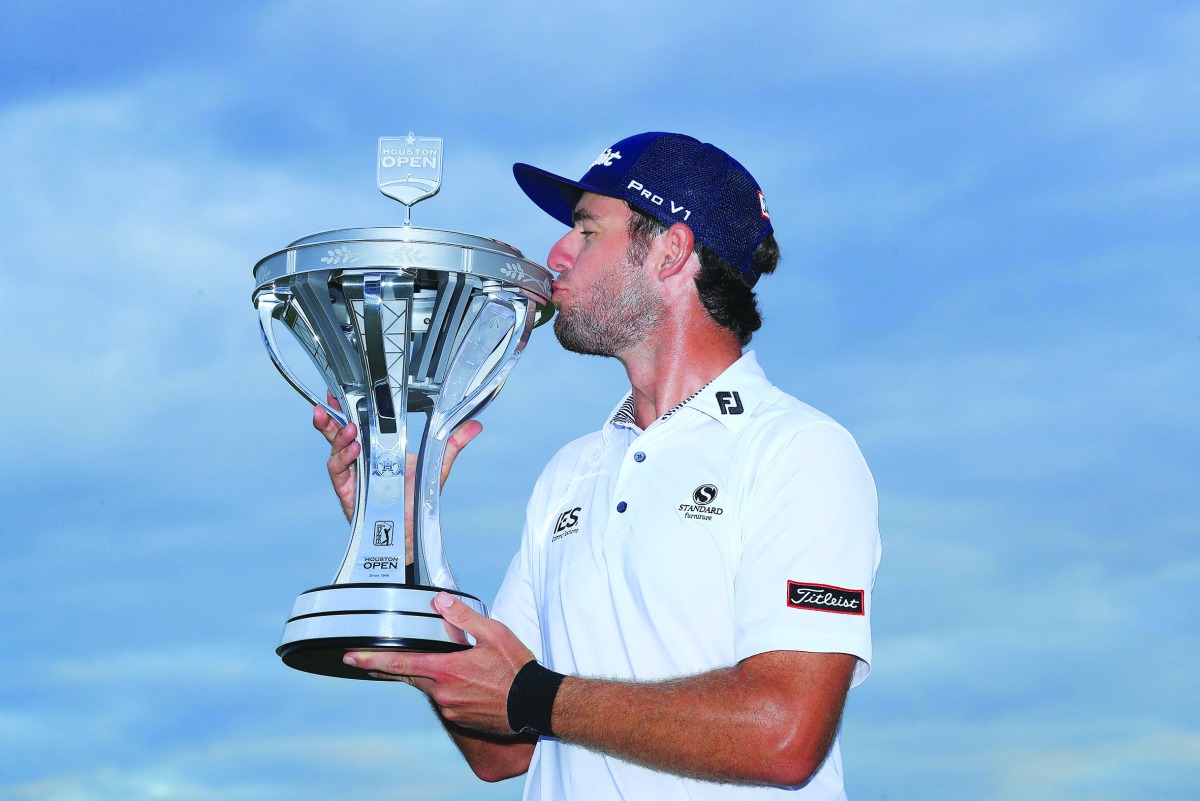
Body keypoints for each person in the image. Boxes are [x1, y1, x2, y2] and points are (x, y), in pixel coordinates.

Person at [313, 132, 881, 800]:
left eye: (586, 231)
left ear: (672, 252)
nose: (557, 252)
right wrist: (406, 548)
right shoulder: (570, 470)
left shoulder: (798, 450)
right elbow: (501, 749)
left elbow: (783, 734)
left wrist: (535, 695)